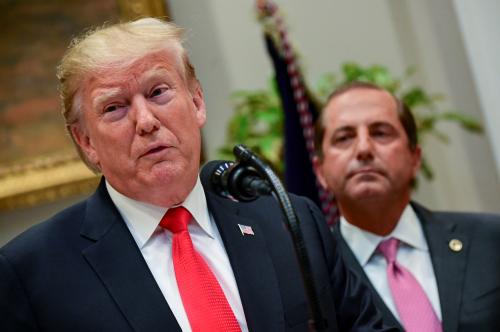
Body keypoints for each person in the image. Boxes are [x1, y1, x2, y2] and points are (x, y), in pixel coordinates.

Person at [0, 19, 397, 331]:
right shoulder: (31, 273)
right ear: (85, 141)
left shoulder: (288, 221)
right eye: (115, 108)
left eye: (158, 92)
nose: (146, 121)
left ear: (197, 101)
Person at [313, 81, 500, 332]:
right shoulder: (314, 279)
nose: (364, 149)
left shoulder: (490, 239)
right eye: (344, 138)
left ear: (415, 158)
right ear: (320, 171)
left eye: (380, 133)